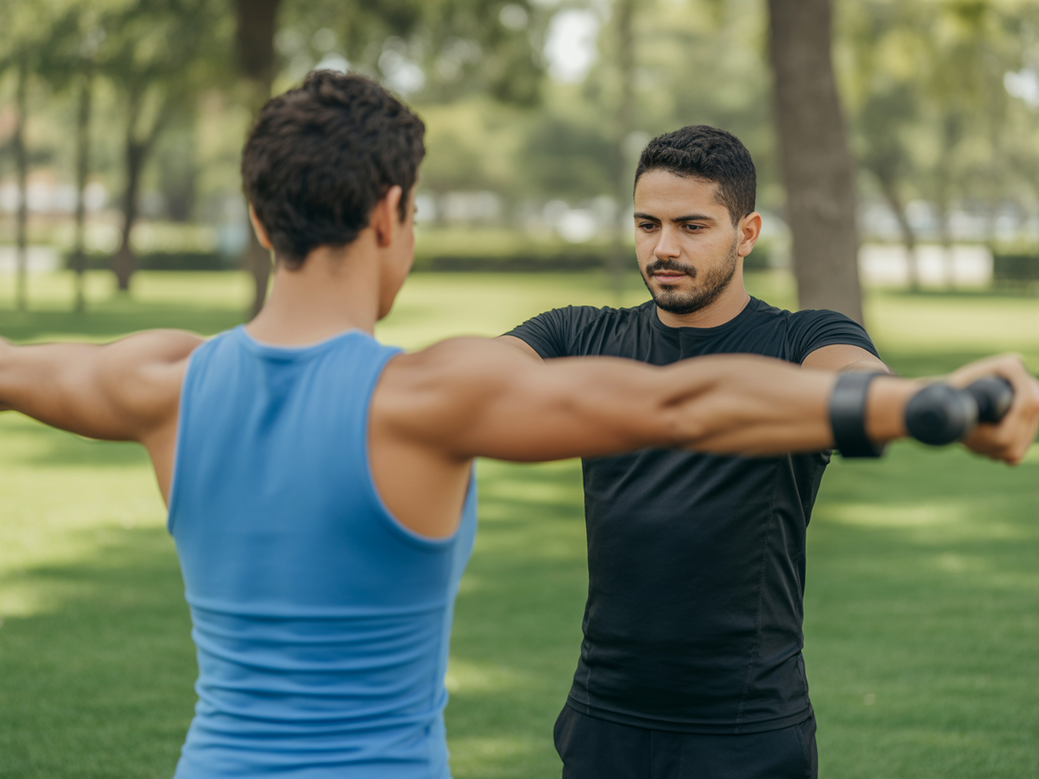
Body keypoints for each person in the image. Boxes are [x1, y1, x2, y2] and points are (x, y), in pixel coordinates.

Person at [0, 74, 1035, 779]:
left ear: (259, 219)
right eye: (648, 223)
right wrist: (928, 406)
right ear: (392, 216)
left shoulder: (160, 382)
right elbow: (684, 401)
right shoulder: (418, 399)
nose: (662, 245)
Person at [500, 125, 1036, 779]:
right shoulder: (579, 333)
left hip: (746, 728)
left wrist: (935, 403)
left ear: (746, 233)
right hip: (601, 719)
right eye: (647, 224)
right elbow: (472, 380)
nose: (662, 247)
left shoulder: (801, 337)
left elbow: (860, 382)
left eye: (691, 226)